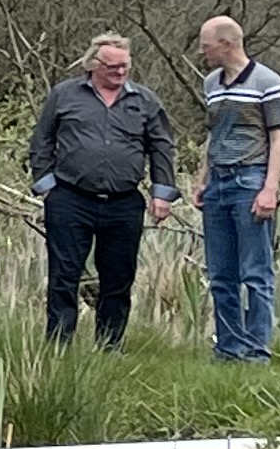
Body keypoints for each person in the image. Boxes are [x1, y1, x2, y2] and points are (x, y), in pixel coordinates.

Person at [26, 31, 178, 348]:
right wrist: (46, 185)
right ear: (93, 64)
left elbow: (162, 147)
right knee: (64, 276)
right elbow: (42, 141)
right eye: (112, 67)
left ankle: (110, 346)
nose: (120, 73)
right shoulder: (64, 95)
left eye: (125, 66)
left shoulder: (145, 101)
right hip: (70, 198)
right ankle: (58, 345)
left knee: (119, 279)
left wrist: (162, 194)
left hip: (123, 204)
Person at [193, 13, 280, 363]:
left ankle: (257, 350)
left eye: (207, 46)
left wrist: (270, 188)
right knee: (221, 273)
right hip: (218, 182)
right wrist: (202, 177)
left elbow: (278, 136)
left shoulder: (267, 81)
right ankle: (228, 349)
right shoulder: (211, 84)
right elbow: (214, 133)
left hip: (250, 179)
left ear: (227, 44)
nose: (203, 52)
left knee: (255, 272)